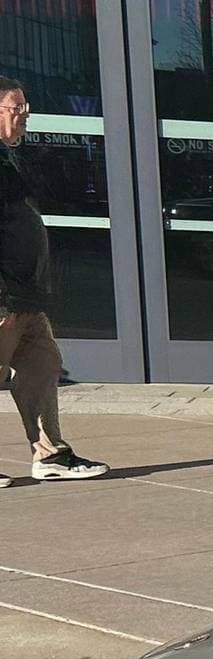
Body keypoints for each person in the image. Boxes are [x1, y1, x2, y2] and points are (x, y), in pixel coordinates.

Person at [0, 75, 106, 489]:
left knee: (42, 369)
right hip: (5, 295)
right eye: (16, 109)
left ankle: (51, 455)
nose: (26, 117)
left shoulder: (10, 159)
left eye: (27, 109)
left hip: (26, 296)